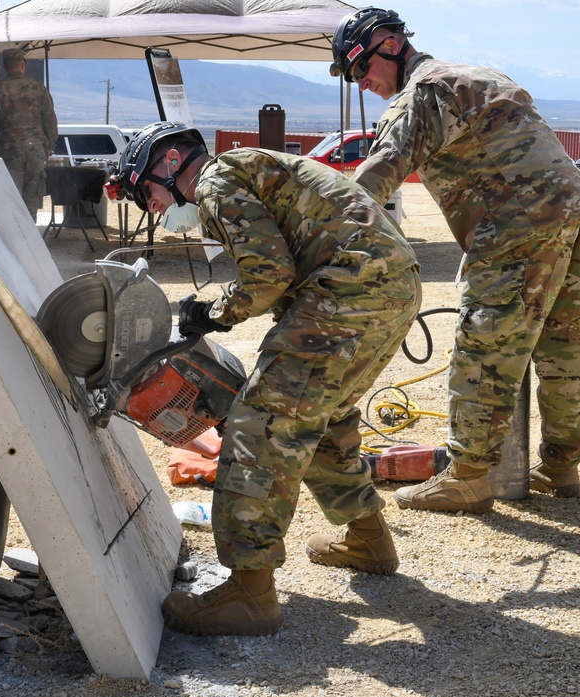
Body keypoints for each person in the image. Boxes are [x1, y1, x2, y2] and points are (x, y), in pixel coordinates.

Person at [104, 121, 421, 636]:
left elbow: (268, 276)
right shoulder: (246, 168)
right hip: (391, 288)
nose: (156, 208)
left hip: (350, 294)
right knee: (321, 414)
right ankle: (368, 540)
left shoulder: (212, 180)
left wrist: (214, 314)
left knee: (261, 423)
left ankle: (250, 593)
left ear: (167, 163)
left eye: (150, 195)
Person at [331, 8, 580, 513]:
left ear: (389, 46)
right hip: (571, 211)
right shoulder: (481, 74)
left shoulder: (423, 94)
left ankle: (468, 476)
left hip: (514, 228)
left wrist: (322, 232)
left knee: (484, 347)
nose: (363, 83)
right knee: (569, 339)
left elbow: (378, 176)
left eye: (360, 70)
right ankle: (562, 466)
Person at [0, 48, 58, 217]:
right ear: (22, 65)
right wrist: (49, 145)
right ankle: (29, 236)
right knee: (32, 197)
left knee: (11, 197)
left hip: (10, 150)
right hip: (35, 151)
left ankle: (13, 236)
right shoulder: (38, 88)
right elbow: (50, 120)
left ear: (5, 66)